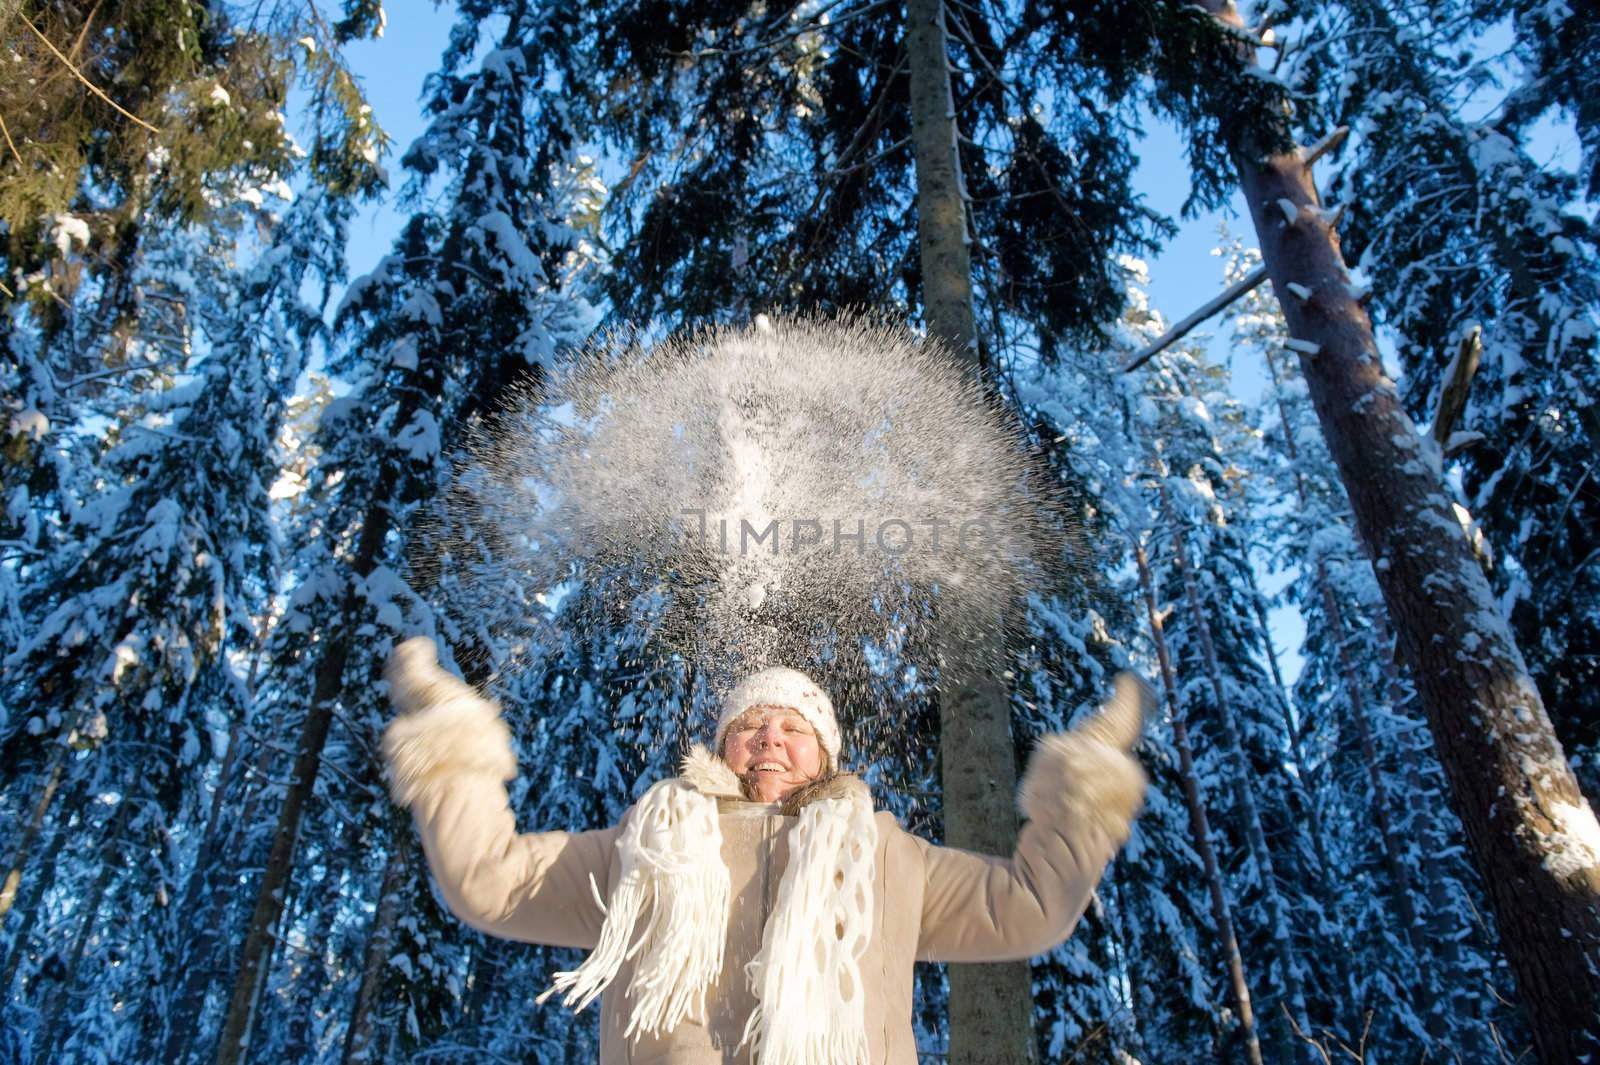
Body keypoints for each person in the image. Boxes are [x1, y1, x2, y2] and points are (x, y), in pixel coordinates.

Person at [382, 636, 1149, 1064]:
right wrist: (453, 749)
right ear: (723, 746)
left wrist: (1082, 790)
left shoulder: (888, 858)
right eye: (750, 725)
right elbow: (488, 880)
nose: (770, 737)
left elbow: (1032, 906)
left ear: (824, 752)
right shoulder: (646, 845)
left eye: (793, 726)